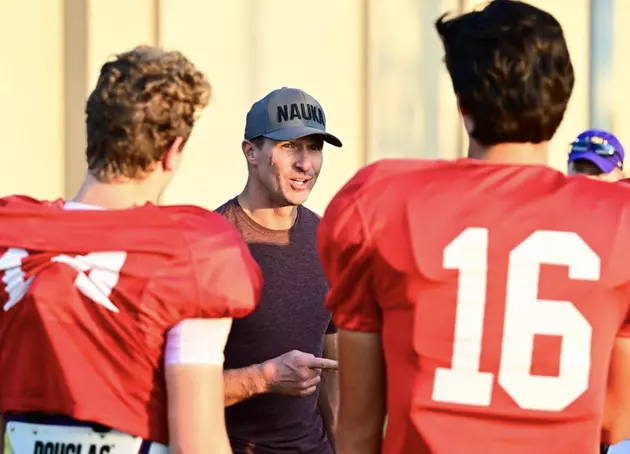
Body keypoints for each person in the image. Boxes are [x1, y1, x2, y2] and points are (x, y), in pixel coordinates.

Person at [317, 1, 630, 453]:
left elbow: (360, 426)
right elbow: (616, 417)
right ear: (562, 101)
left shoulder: (383, 204)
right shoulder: (616, 220)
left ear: (463, 106)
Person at [0, 45, 262, 454]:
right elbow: (198, 443)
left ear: (93, 134)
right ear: (173, 151)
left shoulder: (9, 232)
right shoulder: (189, 252)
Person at [216, 87, 341, 454]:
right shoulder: (214, 244)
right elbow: (172, 389)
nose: (306, 164)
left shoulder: (328, 240)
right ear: (250, 151)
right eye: (290, 147)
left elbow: (332, 368)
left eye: (314, 147)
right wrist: (266, 378)